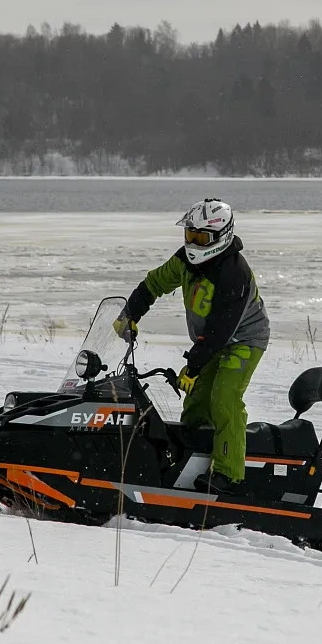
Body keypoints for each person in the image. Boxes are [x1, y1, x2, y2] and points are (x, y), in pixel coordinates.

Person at [112, 198, 270, 495]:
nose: (193, 243)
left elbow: (221, 331)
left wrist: (194, 366)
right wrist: (129, 315)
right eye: (190, 236)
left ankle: (229, 475)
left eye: (200, 238)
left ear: (221, 236)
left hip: (243, 341)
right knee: (197, 402)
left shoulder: (234, 272)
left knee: (225, 397)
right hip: (210, 341)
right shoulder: (185, 261)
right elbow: (154, 283)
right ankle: (192, 462)